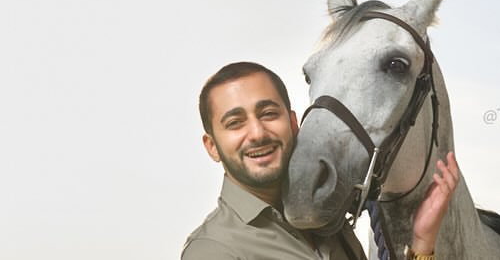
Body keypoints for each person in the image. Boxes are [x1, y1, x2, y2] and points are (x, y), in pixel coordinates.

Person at [182, 62, 459, 260]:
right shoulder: (212, 250)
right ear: (212, 147)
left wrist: (421, 243)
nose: (257, 133)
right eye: (235, 123)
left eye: (268, 114)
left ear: (293, 123)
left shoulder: (324, 219)